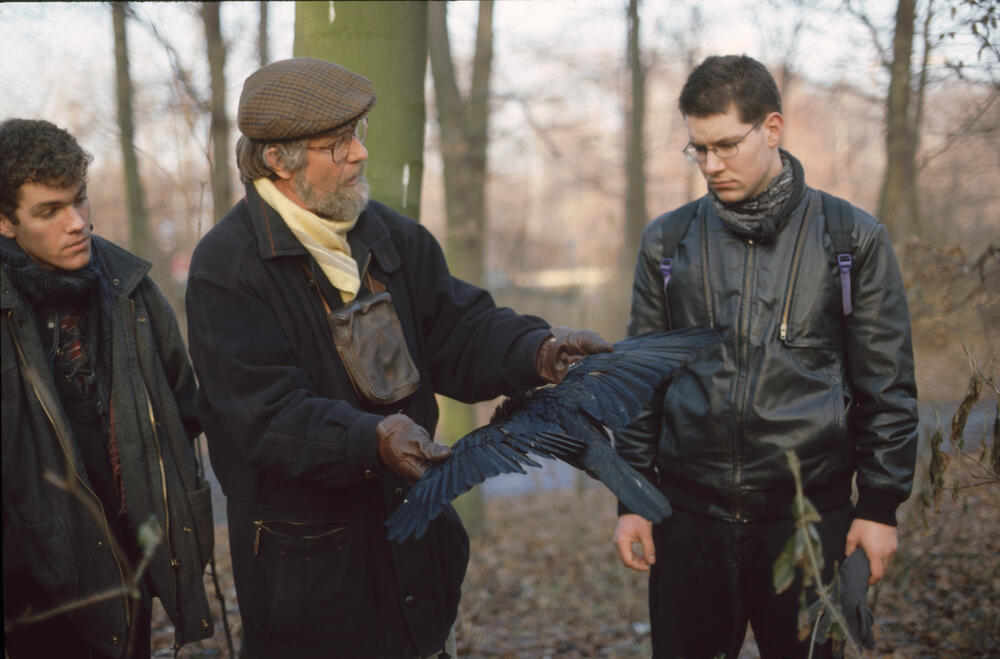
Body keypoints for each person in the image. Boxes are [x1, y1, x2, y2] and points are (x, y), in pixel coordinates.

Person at [185, 57, 612, 659]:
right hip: (311, 591)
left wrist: (538, 350)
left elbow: (459, 332)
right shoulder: (227, 267)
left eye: (357, 134)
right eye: (337, 144)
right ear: (278, 160)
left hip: (417, 566)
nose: (359, 153)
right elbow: (266, 414)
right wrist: (375, 439)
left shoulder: (390, 236)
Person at [612, 55, 918, 658]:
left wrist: (880, 507)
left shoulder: (851, 239)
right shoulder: (667, 242)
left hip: (809, 523)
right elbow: (640, 381)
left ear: (772, 128)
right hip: (688, 521)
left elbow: (887, 383)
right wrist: (632, 499)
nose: (711, 165)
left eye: (726, 144)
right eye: (697, 149)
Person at [1, 119, 214, 658]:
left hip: (128, 560)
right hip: (28, 585)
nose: (76, 223)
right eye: (49, 211)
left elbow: (185, 411)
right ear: (5, 222)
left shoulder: (131, 292)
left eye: (80, 201)